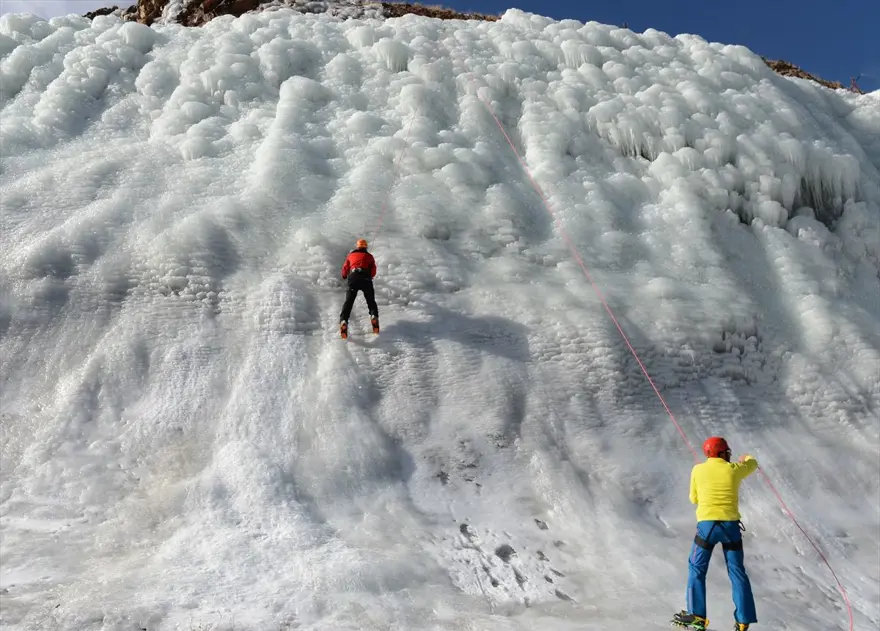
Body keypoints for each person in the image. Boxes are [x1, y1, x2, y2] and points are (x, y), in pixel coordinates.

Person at [672, 436, 759, 631]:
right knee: (737, 572)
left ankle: (697, 616)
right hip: (730, 528)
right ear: (722, 453)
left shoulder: (698, 469)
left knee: (696, 568)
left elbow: (693, 498)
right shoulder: (734, 469)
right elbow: (753, 464)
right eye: (727, 451)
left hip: (707, 527)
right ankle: (743, 621)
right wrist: (746, 457)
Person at [339, 238, 379, 338]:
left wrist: (344, 276)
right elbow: (373, 271)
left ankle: (344, 320)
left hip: (353, 278)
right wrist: (370, 277)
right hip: (365, 278)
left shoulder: (350, 255)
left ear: (357, 246)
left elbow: (345, 269)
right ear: (366, 247)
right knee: (371, 301)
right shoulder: (369, 256)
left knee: (348, 302)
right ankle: (373, 316)